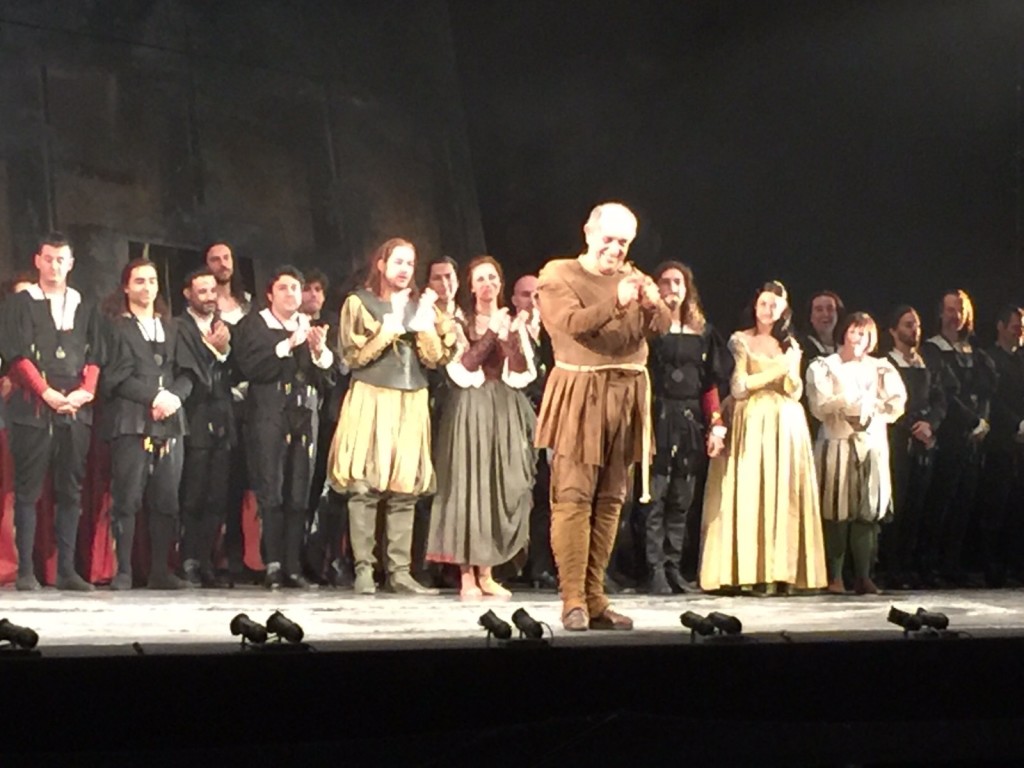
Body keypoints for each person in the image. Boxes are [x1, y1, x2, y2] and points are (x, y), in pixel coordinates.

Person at [535, 202, 670, 631]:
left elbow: (662, 328)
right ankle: (572, 599)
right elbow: (571, 324)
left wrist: (653, 304)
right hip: (581, 392)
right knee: (573, 496)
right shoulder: (558, 274)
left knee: (612, 499)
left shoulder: (633, 276)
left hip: (626, 395)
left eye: (623, 242)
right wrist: (617, 301)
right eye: (608, 239)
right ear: (588, 233)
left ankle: (595, 597)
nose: (615, 249)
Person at [327, 238, 457, 595]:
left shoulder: (420, 305)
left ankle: (399, 571)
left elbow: (437, 357)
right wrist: (391, 327)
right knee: (364, 484)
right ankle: (364, 569)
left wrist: (424, 323)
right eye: (398, 261)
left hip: (411, 397)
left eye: (410, 263)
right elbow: (352, 356)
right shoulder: (359, 302)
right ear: (381, 264)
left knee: (405, 488)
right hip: (372, 396)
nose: (404, 269)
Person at [699, 281, 827, 594]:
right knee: (751, 493)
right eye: (764, 304)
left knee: (784, 495)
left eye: (775, 305)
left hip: (786, 425)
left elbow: (795, 391)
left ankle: (781, 572)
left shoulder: (790, 345)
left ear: (784, 310)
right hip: (752, 421)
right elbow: (739, 386)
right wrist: (777, 370)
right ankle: (749, 571)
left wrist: (791, 369)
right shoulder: (741, 340)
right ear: (755, 307)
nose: (768, 310)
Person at [427, 255, 537, 598]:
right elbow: (463, 368)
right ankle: (466, 575)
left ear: (500, 283)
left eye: (492, 278)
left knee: (496, 484)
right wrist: (491, 334)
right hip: (470, 406)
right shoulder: (459, 322)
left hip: (503, 407)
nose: (487, 284)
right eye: (480, 279)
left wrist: (509, 336)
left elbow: (521, 372)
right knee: (467, 485)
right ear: (471, 287)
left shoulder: (513, 322)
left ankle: (487, 572)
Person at [1, 233, 102, 591]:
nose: (54, 266)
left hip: (74, 409)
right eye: (48, 259)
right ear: (37, 261)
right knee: (28, 490)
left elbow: (96, 354)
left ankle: (67, 571)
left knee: (70, 490)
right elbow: (16, 354)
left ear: (70, 264)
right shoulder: (20, 303)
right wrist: (45, 392)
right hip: (32, 409)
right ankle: (27, 571)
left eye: (61, 260)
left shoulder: (84, 304)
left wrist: (85, 393)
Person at [234, 266, 334, 589]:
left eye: (295, 288)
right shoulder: (255, 324)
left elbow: (327, 378)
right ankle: (273, 563)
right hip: (269, 413)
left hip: (304, 414)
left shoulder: (309, 326)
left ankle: (293, 565)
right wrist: (287, 345)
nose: (291, 294)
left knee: (299, 491)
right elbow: (250, 367)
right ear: (270, 294)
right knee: (272, 489)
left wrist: (319, 352)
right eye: (284, 288)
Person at [102, 258, 196, 590]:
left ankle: (160, 570)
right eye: (139, 281)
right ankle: (124, 571)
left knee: (166, 499)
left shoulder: (174, 328)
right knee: (127, 497)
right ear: (126, 287)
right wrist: (153, 398)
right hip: (131, 419)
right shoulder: (115, 327)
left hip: (171, 421)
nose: (147, 287)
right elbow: (114, 378)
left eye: (152, 280)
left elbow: (188, 373)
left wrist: (174, 398)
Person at [641, 261, 731, 594]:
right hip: (658, 416)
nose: (672, 288)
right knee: (655, 495)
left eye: (678, 282)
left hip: (690, 419)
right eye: (665, 282)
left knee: (682, 497)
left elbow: (710, 384)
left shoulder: (703, 332)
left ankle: (673, 566)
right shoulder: (649, 330)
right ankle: (654, 569)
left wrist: (716, 425)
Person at [806, 312, 907, 594]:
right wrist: (850, 402)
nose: (858, 338)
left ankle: (864, 575)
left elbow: (896, 404)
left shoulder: (881, 368)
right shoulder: (826, 366)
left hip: (871, 444)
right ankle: (835, 576)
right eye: (854, 331)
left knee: (867, 512)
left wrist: (871, 407)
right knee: (836, 510)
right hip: (837, 443)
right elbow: (820, 405)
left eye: (864, 333)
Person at [921, 289, 997, 586]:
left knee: (965, 503)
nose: (956, 316)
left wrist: (983, 422)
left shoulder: (976, 353)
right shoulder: (932, 350)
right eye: (950, 310)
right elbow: (945, 395)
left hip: (973, 438)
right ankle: (929, 564)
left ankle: (953, 564)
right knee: (940, 502)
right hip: (947, 434)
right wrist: (972, 420)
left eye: (961, 310)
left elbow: (986, 392)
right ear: (941, 313)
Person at [176, 268, 234, 588]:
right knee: (193, 494)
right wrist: (212, 351)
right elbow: (188, 372)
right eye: (202, 291)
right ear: (188, 294)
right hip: (195, 419)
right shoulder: (178, 327)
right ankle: (188, 559)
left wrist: (224, 351)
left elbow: (237, 370)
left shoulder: (224, 326)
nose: (210, 297)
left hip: (222, 421)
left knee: (217, 496)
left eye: (213, 291)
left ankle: (207, 559)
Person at [880, 305, 945, 589]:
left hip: (924, 442)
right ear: (893, 330)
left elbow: (940, 399)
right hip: (897, 441)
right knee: (898, 504)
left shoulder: (926, 362)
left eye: (916, 325)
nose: (914, 330)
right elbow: (887, 401)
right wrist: (912, 426)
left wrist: (930, 424)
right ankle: (891, 567)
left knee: (920, 506)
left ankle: (912, 565)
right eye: (908, 325)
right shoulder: (885, 363)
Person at [510, 272, 556, 589]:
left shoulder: (553, 335)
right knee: (515, 493)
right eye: (526, 294)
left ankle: (540, 567)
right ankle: (511, 564)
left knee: (544, 495)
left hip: (547, 422)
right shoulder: (509, 331)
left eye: (538, 294)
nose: (533, 300)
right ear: (515, 299)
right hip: (515, 419)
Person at [978, 304, 1024, 586]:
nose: (1020, 332)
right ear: (1001, 327)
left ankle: (1016, 565)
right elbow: (992, 399)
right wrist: (1017, 424)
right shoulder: (989, 358)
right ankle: (991, 567)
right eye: (1016, 327)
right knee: (996, 506)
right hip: (1000, 443)